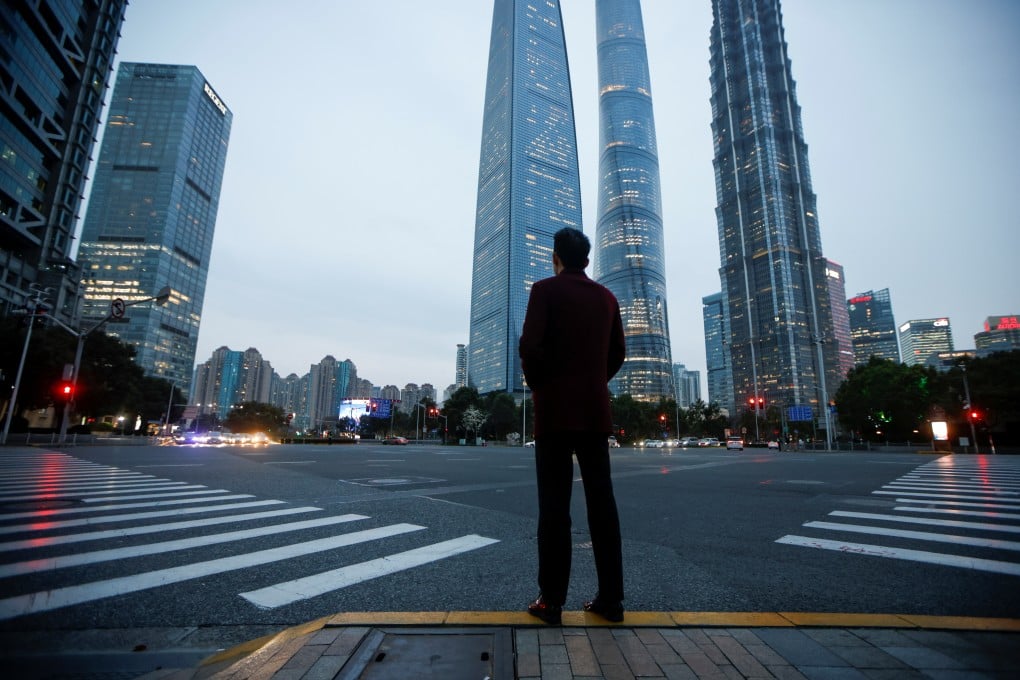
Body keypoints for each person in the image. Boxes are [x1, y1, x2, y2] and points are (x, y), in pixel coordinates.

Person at [518, 227, 626, 624]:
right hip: (595, 413)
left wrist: (543, 386)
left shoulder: (544, 290)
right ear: (587, 260)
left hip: (554, 414)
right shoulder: (607, 298)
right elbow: (618, 352)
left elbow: (529, 346)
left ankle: (551, 602)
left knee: (554, 507)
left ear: (556, 257)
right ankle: (611, 600)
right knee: (603, 504)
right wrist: (593, 382)